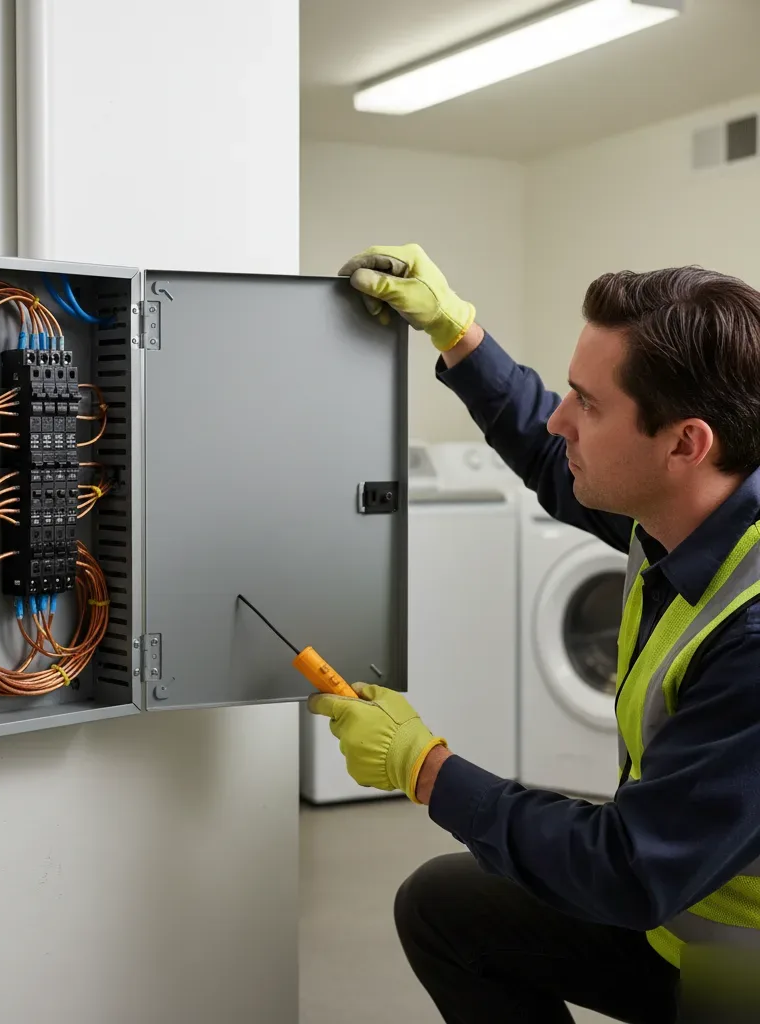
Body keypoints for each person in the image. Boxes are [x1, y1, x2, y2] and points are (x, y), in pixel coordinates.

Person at [308, 244, 760, 1024]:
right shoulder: (685, 514)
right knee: (445, 908)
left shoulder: (752, 633)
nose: (561, 418)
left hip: (740, 969)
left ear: (686, 444)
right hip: (680, 919)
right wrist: (458, 334)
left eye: (588, 403)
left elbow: (627, 870)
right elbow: (551, 455)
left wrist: (425, 767)